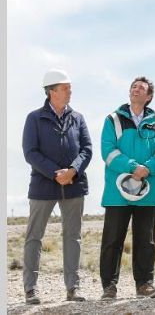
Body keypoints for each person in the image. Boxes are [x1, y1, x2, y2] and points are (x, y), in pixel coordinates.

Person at [21, 68, 93, 305]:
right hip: (43, 185)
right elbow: (30, 152)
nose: (70, 91)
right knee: (34, 237)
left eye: (69, 87)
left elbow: (86, 149)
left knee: (73, 237)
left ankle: (73, 287)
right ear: (52, 92)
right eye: (65, 88)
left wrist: (72, 171)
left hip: (74, 185)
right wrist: (55, 173)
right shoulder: (34, 118)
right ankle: (30, 289)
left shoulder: (78, 118)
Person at [99, 77, 155, 299]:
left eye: (142, 88)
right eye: (133, 87)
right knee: (112, 240)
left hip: (148, 191)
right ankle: (109, 286)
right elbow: (107, 151)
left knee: (145, 240)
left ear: (148, 97)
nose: (136, 90)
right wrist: (132, 167)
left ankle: (145, 284)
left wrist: (147, 168)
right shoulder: (113, 120)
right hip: (117, 193)